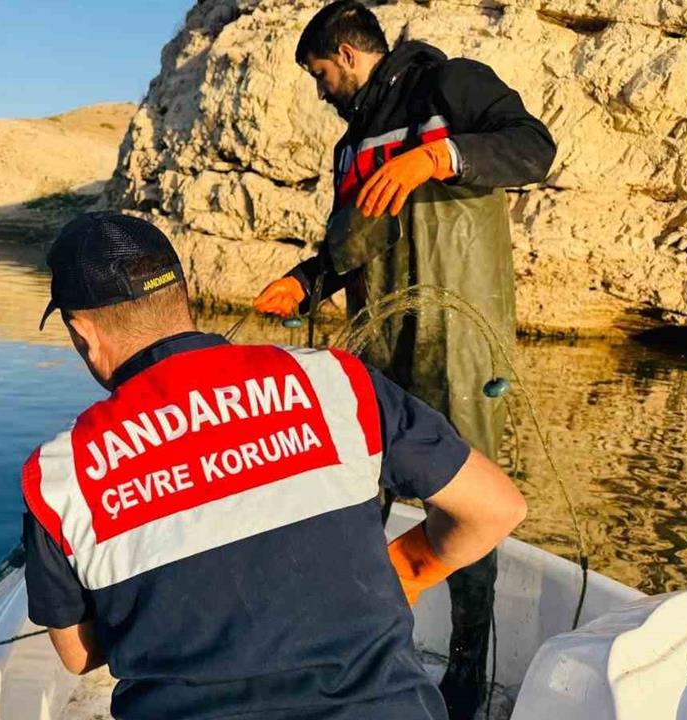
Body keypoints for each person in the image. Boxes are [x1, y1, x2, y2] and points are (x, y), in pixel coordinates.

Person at [21, 211, 526, 720]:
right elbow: (496, 509)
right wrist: (413, 569)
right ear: (183, 295)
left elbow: (79, 654)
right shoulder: (338, 381)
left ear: (83, 332)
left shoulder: (58, 475)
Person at [251, 3, 555, 716]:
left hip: (460, 341)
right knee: (361, 493)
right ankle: (367, 646)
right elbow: (348, 247)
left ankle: (466, 680)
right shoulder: (350, 148)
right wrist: (306, 279)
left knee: (466, 499)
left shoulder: (451, 87)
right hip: (381, 344)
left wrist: (438, 156)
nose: (322, 90)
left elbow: (533, 149)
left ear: (349, 55)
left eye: (321, 74)